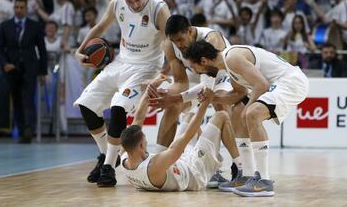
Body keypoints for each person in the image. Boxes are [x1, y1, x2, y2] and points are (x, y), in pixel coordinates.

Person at [73, 0, 170, 187]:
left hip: (146, 69)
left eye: (138, 0)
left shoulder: (159, 9)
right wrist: (79, 51)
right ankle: (107, 155)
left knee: (118, 108)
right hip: (121, 63)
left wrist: (162, 75)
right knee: (85, 104)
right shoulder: (117, 3)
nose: (134, 5)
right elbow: (99, 28)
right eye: (130, 1)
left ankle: (108, 167)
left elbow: (170, 43)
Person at [183, 41, 309, 197]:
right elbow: (239, 94)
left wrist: (248, 109)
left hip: (290, 81)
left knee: (251, 113)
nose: (196, 72)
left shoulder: (232, 57)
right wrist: (213, 97)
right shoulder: (228, 65)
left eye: (194, 67)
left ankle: (264, 181)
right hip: (280, 83)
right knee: (238, 111)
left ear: (203, 61)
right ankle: (247, 175)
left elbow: (261, 85)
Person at [148, 15, 250, 188]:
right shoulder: (170, 45)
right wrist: (168, 97)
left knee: (221, 108)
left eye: (180, 39)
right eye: (174, 41)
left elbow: (208, 90)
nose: (178, 44)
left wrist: (177, 97)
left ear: (190, 31)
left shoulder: (212, 39)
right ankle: (156, 161)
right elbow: (181, 82)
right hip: (198, 76)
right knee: (172, 106)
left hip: (223, 75)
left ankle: (240, 167)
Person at [121, 83, 241, 191]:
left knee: (189, 116)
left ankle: (212, 168)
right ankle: (239, 168)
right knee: (221, 116)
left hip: (180, 163)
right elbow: (187, 135)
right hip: (195, 173)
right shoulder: (154, 166)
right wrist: (205, 102)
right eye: (145, 139)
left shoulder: (125, 160)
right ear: (142, 145)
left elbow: (138, 119)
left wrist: (147, 94)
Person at [0, 0, 47, 143]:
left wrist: (42, 71)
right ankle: (22, 129)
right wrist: (4, 63)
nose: (19, 10)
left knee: (28, 99)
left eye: (21, 7)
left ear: (26, 8)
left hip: (30, 69)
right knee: (16, 101)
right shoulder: (5, 26)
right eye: (16, 7)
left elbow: (42, 50)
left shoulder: (35, 26)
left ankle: (29, 129)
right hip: (11, 70)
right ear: (13, 8)